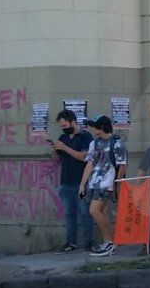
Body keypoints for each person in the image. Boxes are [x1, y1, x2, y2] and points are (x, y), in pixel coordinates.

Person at [78, 115, 126, 257]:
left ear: (102, 127)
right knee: (102, 212)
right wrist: (83, 184)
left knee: (94, 210)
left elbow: (122, 165)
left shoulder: (117, 143)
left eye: (94, 126)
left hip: (106, 182)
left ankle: (110, 241)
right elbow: (89, 163)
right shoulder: (94, 143)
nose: (91, 129)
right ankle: (108, 241)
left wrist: (116, 184)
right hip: (94, 182)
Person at [49, 109, 93, 253]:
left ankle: (89, 243)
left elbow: (84, 157)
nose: (63, 129)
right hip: (65, 182)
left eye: (65, 125)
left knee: (85, 213)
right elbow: (56, 160)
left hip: (81, 182)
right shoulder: (63, 137)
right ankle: (70, 242)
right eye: (61, 126)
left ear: (73, 122)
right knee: (69, 214)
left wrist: (65, 148)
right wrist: (55, 149)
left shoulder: (85, 136)